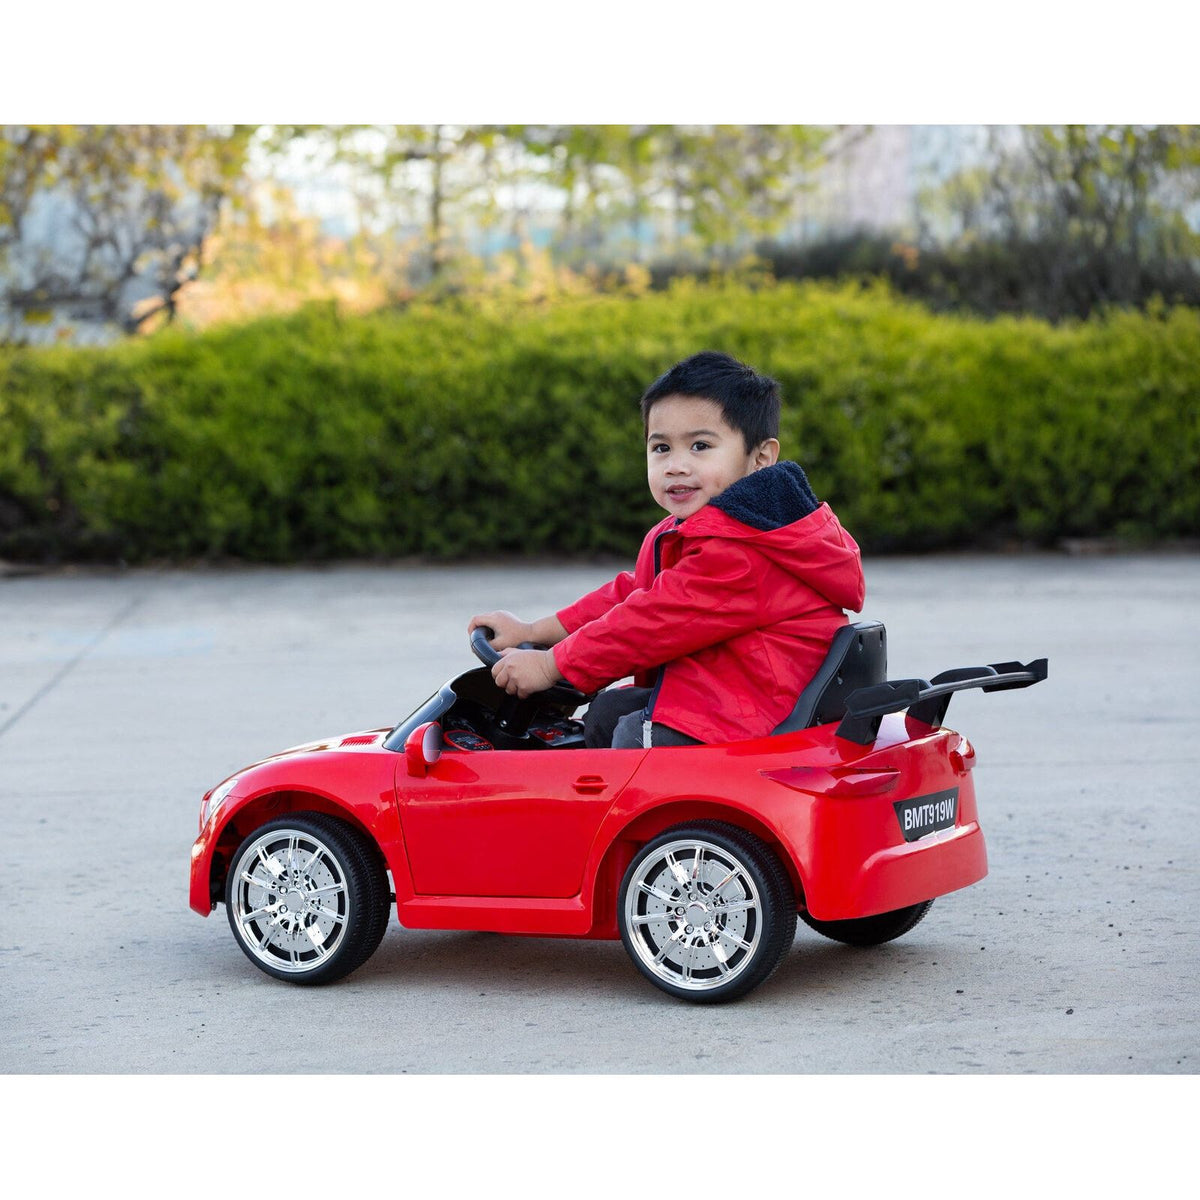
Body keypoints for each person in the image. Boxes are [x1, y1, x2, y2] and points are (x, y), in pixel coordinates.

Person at [468, 350, 865, 749]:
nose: (675, 465)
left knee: (634, 735)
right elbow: (634, 595)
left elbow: (649, 622)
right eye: (661, 449)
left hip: (755, 716)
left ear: (760, 457)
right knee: (607, 712)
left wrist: (551, 665)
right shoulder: (698, 529)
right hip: (726, 696)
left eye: (700, 447)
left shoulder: (744, 552)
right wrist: (535, 631)